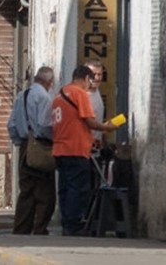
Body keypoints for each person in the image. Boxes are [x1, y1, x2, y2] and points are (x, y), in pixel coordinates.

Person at [52, 65, 119, 236]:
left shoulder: (59, 95)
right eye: (91, 80)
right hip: (75, 149)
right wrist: (106, 127)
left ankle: (67, 223)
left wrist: (91, 139)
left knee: (65, 188)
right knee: (78, 188)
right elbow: (90, 121)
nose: (92, 85)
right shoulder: (80, 94)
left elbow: (72, 124)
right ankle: (74, 225)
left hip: (60, 149)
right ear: (85, 78)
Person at [7, 66, 56, 235]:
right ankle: (40, 228)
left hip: (24, 146)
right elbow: (44, 125)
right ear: (49, 81)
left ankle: (21, 228)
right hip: (41, 146)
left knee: (26, 190)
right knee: (45, 191)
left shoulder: (23, 95)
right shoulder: (44, 97)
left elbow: (11, 124)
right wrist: (52, 140)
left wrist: (20, 141)